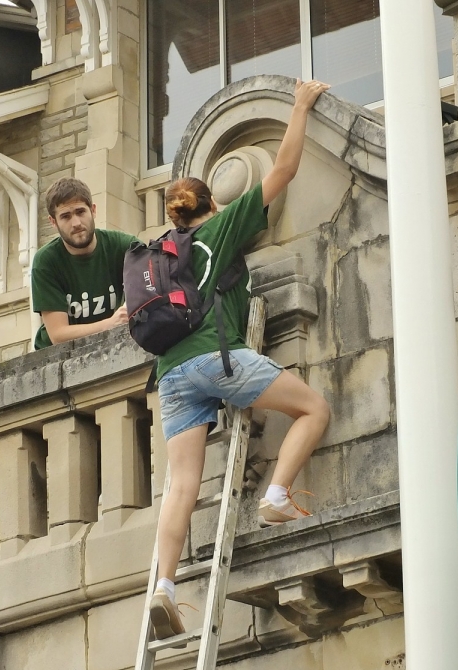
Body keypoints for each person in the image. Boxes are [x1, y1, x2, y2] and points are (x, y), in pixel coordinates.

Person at [148, 79, 333, 640]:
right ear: (212, 203)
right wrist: (299, 105)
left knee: (180, 485)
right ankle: (276, 497)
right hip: (214, 358)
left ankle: (163, 587)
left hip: (169, 375)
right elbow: (283, 170)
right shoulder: (219, 230)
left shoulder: (160, 250)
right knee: (314, 409)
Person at [31, 177, 137, 349]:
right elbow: (58, 334)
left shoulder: (125, 246)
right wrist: (110, 324)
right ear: (53, 222)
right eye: (65, 216)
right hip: (59, 358)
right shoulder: (46, 262)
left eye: (80, 212)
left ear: (93, 210)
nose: (76, 223)